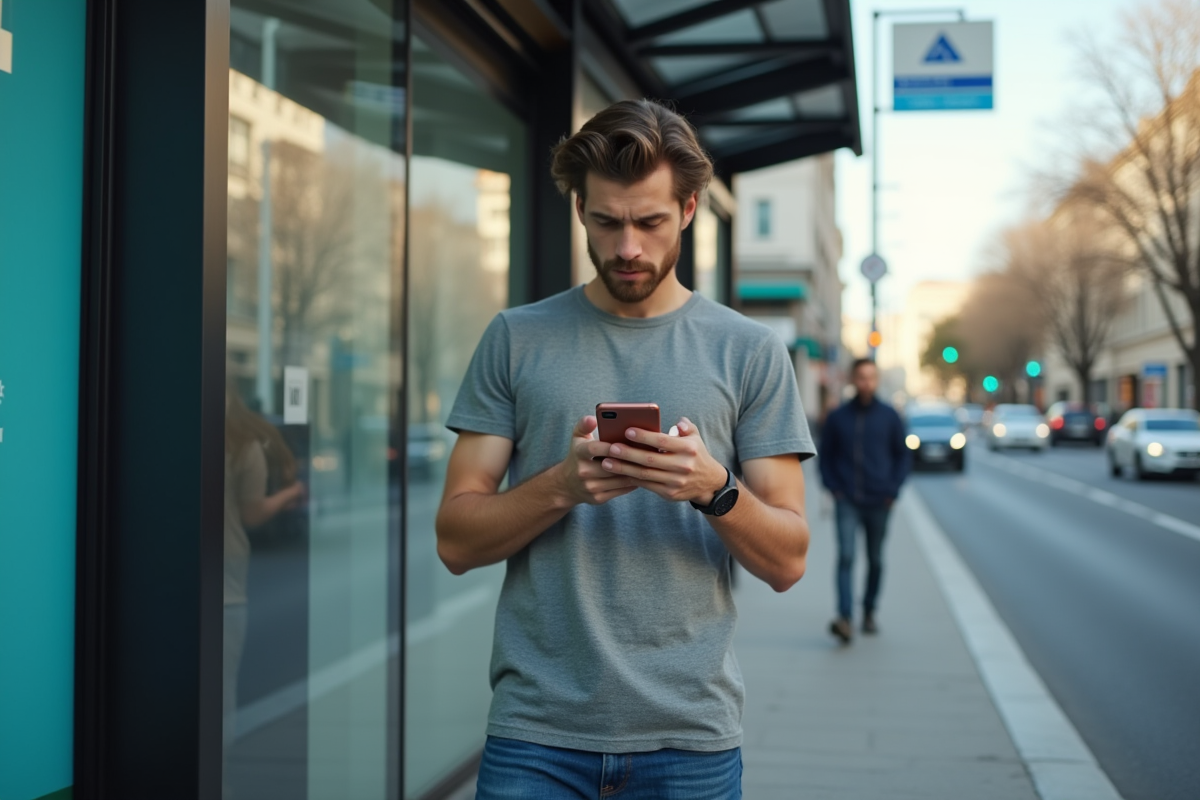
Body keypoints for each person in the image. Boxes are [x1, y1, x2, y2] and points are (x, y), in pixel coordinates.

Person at [436, 99, 815, 799]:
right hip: (536, 735)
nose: (628, 247)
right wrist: (561, 487)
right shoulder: (516, 338)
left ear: (691, 209)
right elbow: (456, 541)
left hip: (690, 739)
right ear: (580, 209)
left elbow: (789, 559)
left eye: (650, 222)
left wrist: (713, 487)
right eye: (607, 222)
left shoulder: (750, 350)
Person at [817, 358, 911, 643]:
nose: (866, 382)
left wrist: (892, 490)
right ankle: (845, 618)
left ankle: (868, 611)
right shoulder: (838, 417)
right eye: (861, 377)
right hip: (847, 499)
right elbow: (826, 456)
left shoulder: (889, 416)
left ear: (877, 380)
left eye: (871, 377)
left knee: (876, 560)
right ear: (852, 380)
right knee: (845, 556)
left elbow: (903, 456)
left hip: (879, 500)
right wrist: (833, 487)